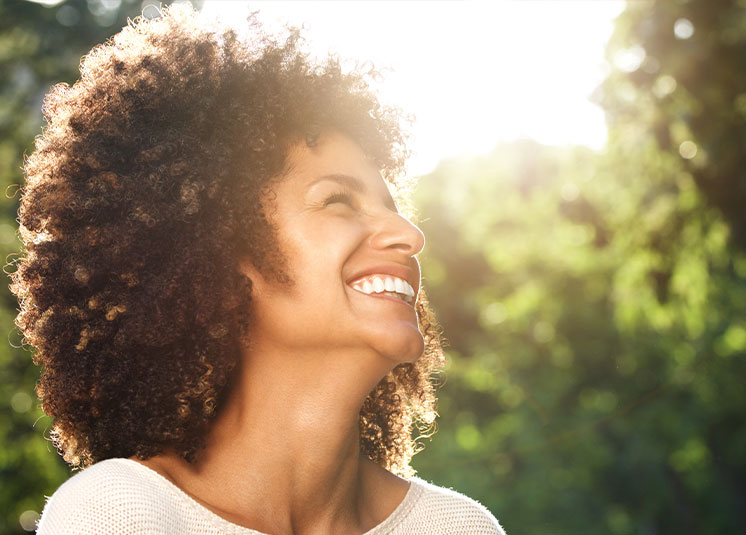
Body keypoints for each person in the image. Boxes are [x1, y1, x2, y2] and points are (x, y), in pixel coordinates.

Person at [11, 5, 505, 535]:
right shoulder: (120, 513)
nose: (409, 235)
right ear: (220, 250)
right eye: (337, 200)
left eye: (393, 206)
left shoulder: (455, 526)